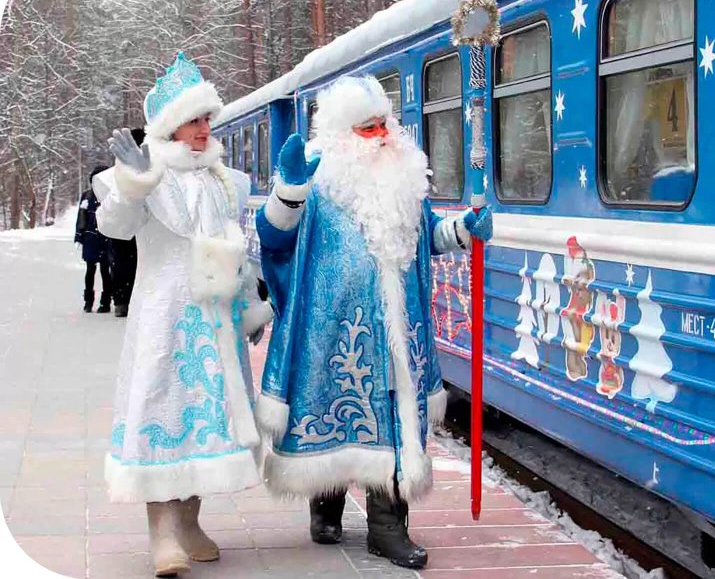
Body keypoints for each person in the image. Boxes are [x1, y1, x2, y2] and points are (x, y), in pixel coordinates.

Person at [254, 76, 493, 570]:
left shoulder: (403, 177)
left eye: (384, 124)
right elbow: (275, 240)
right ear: (343, 133)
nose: (383, 135)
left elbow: (427, 235)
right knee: (333, 410)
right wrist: (288, 192)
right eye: (368, 128)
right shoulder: (316, 178)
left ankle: (387, 527)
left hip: (398, 328)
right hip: (331, 328)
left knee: (392, 414)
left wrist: (461, 231)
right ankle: (326, 501)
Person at [92, 52, 273, 577]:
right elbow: (116, 227)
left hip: (215, 321)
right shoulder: (145, 173)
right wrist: (134, 181)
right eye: (193, 120)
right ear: (170, 126)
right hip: (164, 317)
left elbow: (233, 247)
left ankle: (190, 522)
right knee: (164, 411)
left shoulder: (225, 180)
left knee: (208, 422)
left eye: (206, 118)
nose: (203, 128)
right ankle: (162, 533)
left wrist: (249, 306)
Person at [108, 128, 143, 318]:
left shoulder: (118, 172)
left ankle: (122, 301)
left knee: (122, 266)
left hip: (123, 232)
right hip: (135, 231)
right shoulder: (152, 169)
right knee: (134, 266)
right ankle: (126, 301)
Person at [75, 165, 113, 313]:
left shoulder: (110, 195)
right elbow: (81, 216)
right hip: (90, 237)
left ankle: (105, 302)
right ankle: (88, 301)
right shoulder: (87, 195)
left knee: (105, 271)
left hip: (106, 238)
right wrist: (79, 235)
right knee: (90, 270)